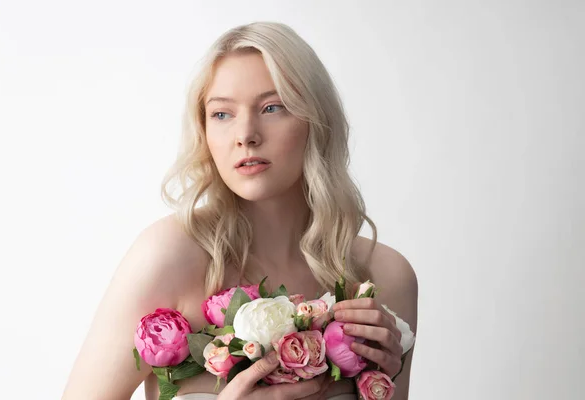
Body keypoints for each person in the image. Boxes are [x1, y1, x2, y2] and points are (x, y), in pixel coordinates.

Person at [62, 21, 418, 400]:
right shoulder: (166, 257)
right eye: (222, 114)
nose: (245, 134)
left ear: (316, 121)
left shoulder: (385, 277)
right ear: (204, 131)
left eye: (272, 107)